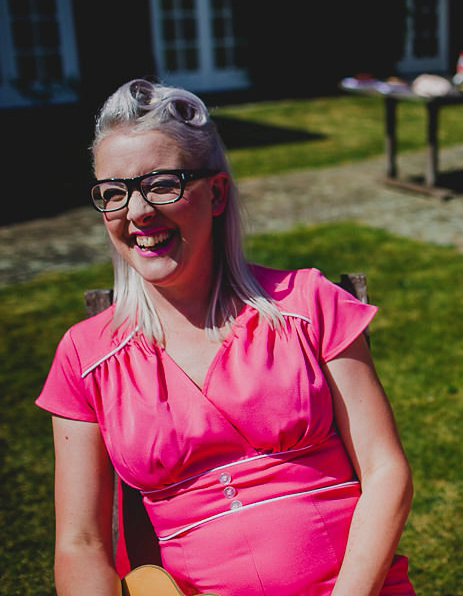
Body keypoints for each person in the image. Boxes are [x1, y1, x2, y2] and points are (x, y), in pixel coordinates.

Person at [36, 79, 415, 596]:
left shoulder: (307, 305)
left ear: (215, 193)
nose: (138, 211)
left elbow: (386, 470)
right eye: (113, 193)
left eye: (162, 183)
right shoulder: (86, 357)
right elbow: (79, 544)